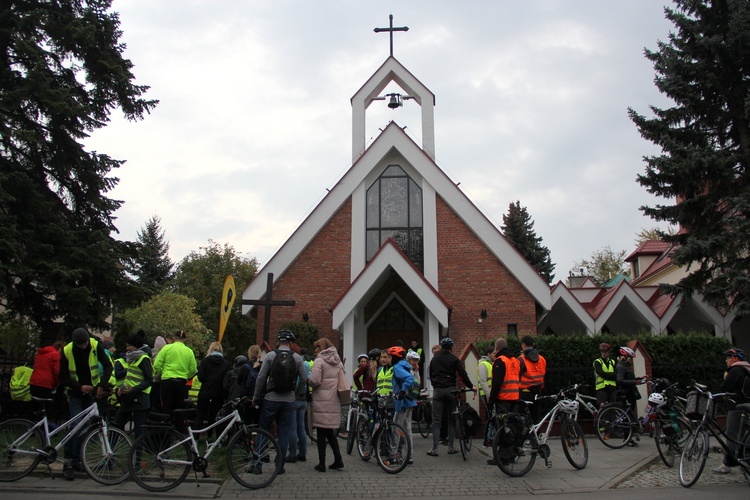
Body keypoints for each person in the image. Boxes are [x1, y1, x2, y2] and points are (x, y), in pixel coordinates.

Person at [58, 328, 113, 480]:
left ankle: (77, 459)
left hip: (91, 394)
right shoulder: (67, 350)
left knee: (85, 428)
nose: (82, 347)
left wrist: (101, 385)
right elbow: (62, 377)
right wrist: (79, 387)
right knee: (75, 426)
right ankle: (68, 462)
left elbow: (108, 366)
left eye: (84, 344)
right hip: (76, 394)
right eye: (79, 345)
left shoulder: (96, 346)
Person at [252, 330, 308, 474]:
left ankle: (258, 463)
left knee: (263, 430)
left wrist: (256, 396)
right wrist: (295, 393)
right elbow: (303, 378)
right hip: (288, 400)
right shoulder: (297, 358)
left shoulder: (270, 356)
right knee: (284, 432)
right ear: (291, 343)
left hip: (271, 398)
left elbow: (261, 378)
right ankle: (280, 464)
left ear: (278, 342)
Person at [426, 337, 475, 457]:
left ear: (442, 347)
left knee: (436, 420)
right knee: (452, 419)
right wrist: (471, 386)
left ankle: (435, 449)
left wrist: (436, 385)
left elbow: (431, 375)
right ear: (452, 348)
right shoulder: (454, 359)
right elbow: (462, 375)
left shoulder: (434, 359)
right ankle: (451, 447)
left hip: (438, 391)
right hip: (451, 391)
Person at [309, 338, 345, 472]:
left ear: (322, 348)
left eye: (316, 348)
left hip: (321, 400)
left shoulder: (319, 361)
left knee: (320, 432)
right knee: (329, 432)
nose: (315, 351)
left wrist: (309, 381)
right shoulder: (337, 360)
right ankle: (338, 460)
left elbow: (315, 380)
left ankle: (322, 463)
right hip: (333, 398)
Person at [713, 348, 750, 474]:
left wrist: (725, 379)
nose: (726, 361)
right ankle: (743, 460)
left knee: (731, 435)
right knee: (743, 436)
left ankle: (727, 464)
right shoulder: (746, 369)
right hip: (745, 405)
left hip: (736, 407)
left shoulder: (735, 370)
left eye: (728, 358)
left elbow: (725, 388)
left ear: (735, 358)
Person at [486, 337, 521, 466]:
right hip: (515, 399)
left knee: (502, 429)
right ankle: (512, 454)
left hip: (503, 400)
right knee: (511, 428)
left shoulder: (500, 361)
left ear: (496, 348)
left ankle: (502, 457)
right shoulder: (515, 361)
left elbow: (496, 384)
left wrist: (491, 401)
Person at [113, 334, 153, 440]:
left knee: (139, 431)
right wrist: (121, 388)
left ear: (136, 346)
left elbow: (149, 380)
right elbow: (130, 378)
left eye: (129, 346)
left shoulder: (144, 359)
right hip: (129, 397)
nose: (127, 348)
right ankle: (110, 452)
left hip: (140, 399)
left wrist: (134, 389)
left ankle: (138, 456)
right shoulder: (131, 359)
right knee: (115, 425)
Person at [153, 330, 197, 415]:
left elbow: (156, 365)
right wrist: (186, 376)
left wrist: (163, 372)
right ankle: (177, 425)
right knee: (179, 407)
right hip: (181, 381)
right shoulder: (189, 351)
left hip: (167, 380)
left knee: (166, 406)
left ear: (174, 338)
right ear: (184, 339)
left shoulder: (167, 348)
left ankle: (166, 424)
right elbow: (193, 369)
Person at [196, 342, 230, 437]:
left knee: (200, 415)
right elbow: (226, 380)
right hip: (218, 393)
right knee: (217, 417)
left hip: (205, 392)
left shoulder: (205, 361)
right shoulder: (225, 364)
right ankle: (215, 437)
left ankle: (196, 438)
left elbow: (201, 377)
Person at [390, 346, 416, 465]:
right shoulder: (406, 365)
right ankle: (409, 456)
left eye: (391, 356)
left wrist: (402, 391)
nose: (390, 359)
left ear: (395, 357)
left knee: (397, 429)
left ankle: (395, 455)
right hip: (409, 402)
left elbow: (409, 378)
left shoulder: (397, 367)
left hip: (402, 402)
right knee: (408, 429)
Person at [615, 346, 646, 447]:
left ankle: (629, 437)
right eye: (630, 358)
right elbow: (619, 380)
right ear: (626, 357)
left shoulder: (627, 366)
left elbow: (629, 378)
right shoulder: (620, 367)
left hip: (631, 393)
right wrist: (634, 381)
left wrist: (639, 378)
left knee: (630, 416)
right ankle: (626, 438)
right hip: (625, 394)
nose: (631, 360)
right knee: (627, 417)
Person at [29, 340, 64, 424]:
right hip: (46, 384)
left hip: (34, 382)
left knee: (35, 406)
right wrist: (57, 383)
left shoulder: (40, 353)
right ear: (59, 349)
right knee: (48, 406)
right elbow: (56, 372)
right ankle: (45, 426)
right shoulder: (55, 355)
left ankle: (31, 426)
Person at [518, 335, 546, 423]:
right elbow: (543, 374)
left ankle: (526, 436)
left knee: (523, 419)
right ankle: (536, 435)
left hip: (525, 392)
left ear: (523, 345)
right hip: (538, 392)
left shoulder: (521, 360)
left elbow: (517, 376)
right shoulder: (542, 359)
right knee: (536, 418)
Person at [476, 344, 494, 447]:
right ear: (488, 354)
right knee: (490, 416)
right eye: (493, 354)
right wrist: (488, 395)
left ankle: (490, 438)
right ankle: (487, 439)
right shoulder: (483, 364)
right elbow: (483, 381)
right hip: (486, 394)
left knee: (491, 416)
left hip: (488, 393)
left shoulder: (488, 363)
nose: (494, 355)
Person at [593, 343, 617, 407]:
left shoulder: (612, 362)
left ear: (609, 352)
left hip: (612, 388)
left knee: (613, 408)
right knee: (603, 409)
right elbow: (601, 374)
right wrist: (611, 375)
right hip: (602, 388)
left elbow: (616, 374)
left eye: (606, 351)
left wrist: (607, 375)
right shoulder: (597, 362)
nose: (604, 353)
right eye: (602, 351)